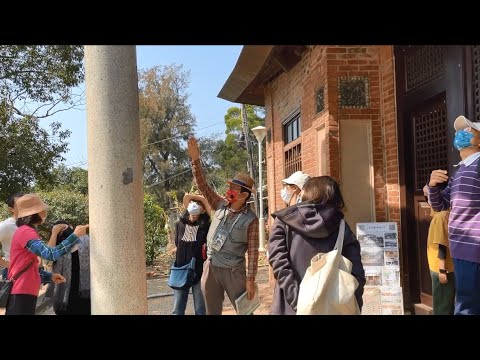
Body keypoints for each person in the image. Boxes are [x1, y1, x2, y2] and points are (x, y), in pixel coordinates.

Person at [268, 176, 365, 315]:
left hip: (289, 307)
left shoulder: (284, 221)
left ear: (307, 193)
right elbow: (357, 272)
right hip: (333, 306)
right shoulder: (342, 226)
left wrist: (298, 302)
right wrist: (353, 302)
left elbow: (279, 264)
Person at [187, 136, 259, 315]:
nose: (229, 191)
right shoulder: (219, 204)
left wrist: (250, 280)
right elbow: (203, 186)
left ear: (244, 196)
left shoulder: (251, 219)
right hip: (211, 267)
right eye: (230, 187)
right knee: (211, 311)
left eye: (234, 189)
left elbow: (253, 252)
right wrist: (196, 161)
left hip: (234, 272)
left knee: (245, 311)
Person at [428, 115, 480, 315]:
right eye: (459, 131)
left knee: (467, 307)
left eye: (468, 131)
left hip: (473, 248)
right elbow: (441, 205)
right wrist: (432, 185)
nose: (460, 134)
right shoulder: (460, 171)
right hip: (460, 248)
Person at [6, 194, 88, 315]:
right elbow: (50, 254)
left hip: (24, 291)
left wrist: (49, 277)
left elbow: (29, 267)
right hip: (22, 291)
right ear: (33, 213)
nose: (45, 211)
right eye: (41, 209)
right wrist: (74, 236)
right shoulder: (26, 232)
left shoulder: (26, 231)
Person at [171, 194, 211, 315]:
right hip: (181, 269)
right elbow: (177, 244)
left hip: (199, 271)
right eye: (193, 202)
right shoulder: (179, 224)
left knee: (200, 309)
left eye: (199, 204)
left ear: (203, 209)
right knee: (178, 309)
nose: (195, 205)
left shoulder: (206, 226)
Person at [46, 220, 91, 315]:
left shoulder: (83, 241)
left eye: (64, 228)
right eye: (60, 230)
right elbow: (48, 256)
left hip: (83, 290)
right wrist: (54, 233)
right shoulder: (58, 249)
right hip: (64, 293)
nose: (63, 231)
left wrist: (80, 234)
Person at [422, 186, 455, 315]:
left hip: (442, 268)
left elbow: (442, 243)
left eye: (429, 195)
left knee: (442, 304)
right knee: (446, 301)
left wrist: (442, 269)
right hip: (440, 267)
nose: (427, 198)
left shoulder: (442, 215)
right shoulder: (438, 213)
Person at [0, 193, 24, 279]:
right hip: (12, 273)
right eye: (20, 204)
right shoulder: (6, 225)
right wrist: (4, 263)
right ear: (11, 209)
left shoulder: (30, 225)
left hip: (29, 272)